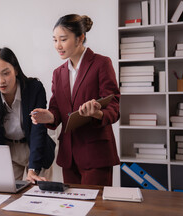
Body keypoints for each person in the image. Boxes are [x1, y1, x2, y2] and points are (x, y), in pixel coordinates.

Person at [31, 14, 120, 186]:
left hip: (96, 154)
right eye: (55, 40)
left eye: (63, 39)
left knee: (96, 209)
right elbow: (56, 109)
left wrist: (97, 113)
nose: (58, 46)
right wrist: (48, 116)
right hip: (68, 156)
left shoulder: (101, 64)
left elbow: (114, 106)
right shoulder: (58, 73)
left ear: (80, 38)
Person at [0, 47, 56, 183]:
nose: (0, 81)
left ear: (16, 70)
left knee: (39, 194)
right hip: (9, 149)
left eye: (5, 73)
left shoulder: (34, 88)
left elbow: (38, 130)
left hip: (36, 147)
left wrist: (33, 169)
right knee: (9, 195)